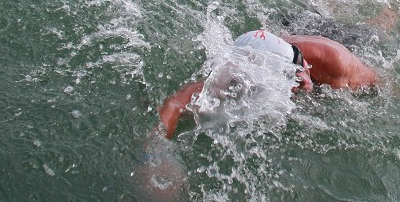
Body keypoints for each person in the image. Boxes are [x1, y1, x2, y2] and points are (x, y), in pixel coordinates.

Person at [157, 29, 378, 138]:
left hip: (336, 39)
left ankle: (394, 7)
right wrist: (155, 154)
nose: (299, 86)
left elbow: (379, 82)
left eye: (299, 79)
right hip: (287, 38)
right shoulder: (242, 68)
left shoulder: (339, 66)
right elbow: (177, 102)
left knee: (369, 29)